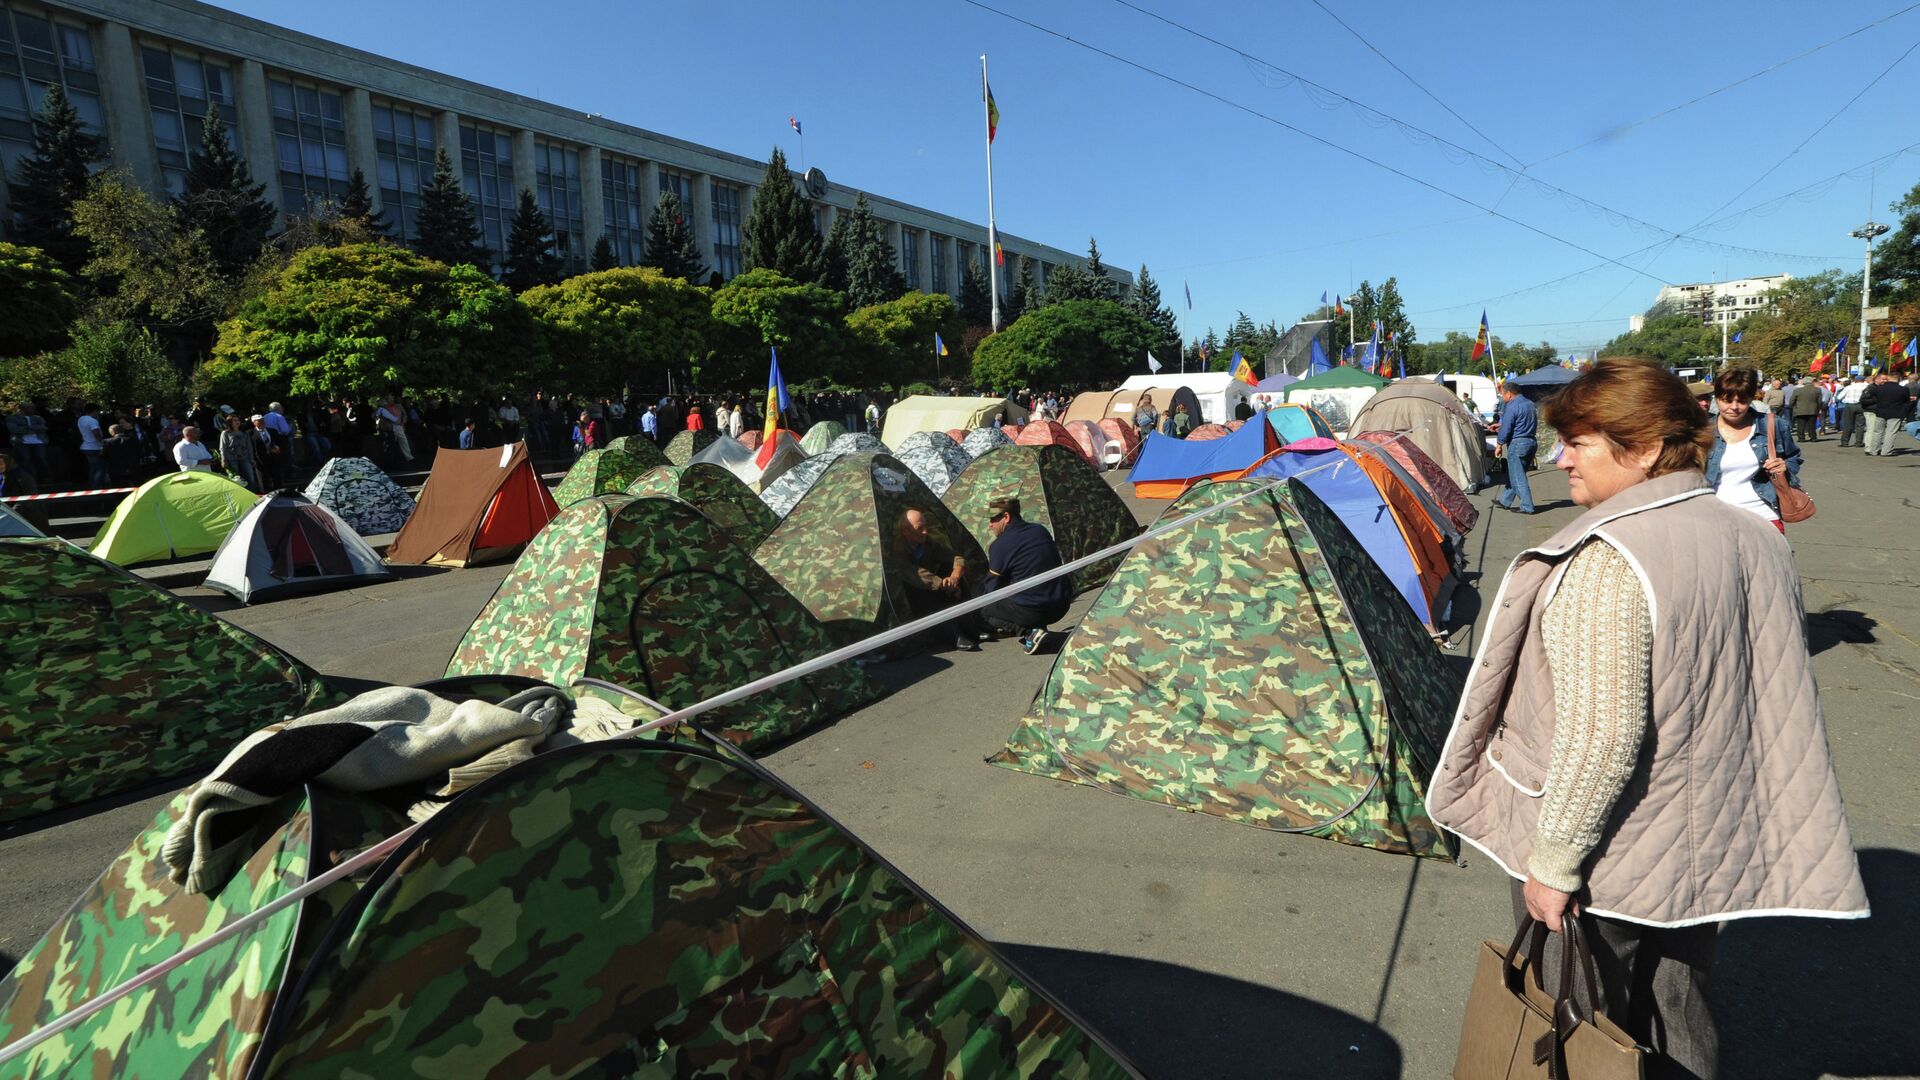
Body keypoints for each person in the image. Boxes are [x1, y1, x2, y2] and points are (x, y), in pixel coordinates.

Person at [1427, 357, 1867, 1080]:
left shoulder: (1608, 558)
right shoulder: (1752, 536)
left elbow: (1600, 741)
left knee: (1584, 1023)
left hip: (1611, 852)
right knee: (1678, 1007)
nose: (1559, 458)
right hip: (1705, 835)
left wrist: (1552, 866)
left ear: (1648, 448)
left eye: (1582, 442)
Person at [1703, 368, 1799, 534]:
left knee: (1771, 560)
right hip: (1715, 518)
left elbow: (1793, 457)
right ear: (1716, 398)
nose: (1734, 407)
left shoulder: (1772, 424)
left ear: (1751, 399)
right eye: (1727, 400)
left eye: (1742, 401)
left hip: (1763, 515)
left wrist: (1785, 467)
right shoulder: (1702, 431)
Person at [978, 497, 1072, 653]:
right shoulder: (1040, 530)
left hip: (1036, 609)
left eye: (993, 519)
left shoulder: (999, 545)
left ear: (1006, 517)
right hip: (1063, 602)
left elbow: (992, 587)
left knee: (986, 608)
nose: (990, 524)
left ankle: (1030, 633)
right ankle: (1039, 628)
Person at [890, 508, 980, 652]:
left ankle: (973, 627)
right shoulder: (898, 550)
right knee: (923, 593)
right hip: (914, 596)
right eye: (920, 528)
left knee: (952, 571)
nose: (925, 531)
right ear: (906, 531)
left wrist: (954, 577)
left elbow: (956, 557)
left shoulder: (927, 543)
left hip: (934, 587)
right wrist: (943, 584)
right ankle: (954, 635)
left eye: (926, 526)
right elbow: (916, 574)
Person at [1492, 381, 1537, 514]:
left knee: (1518, 476)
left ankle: (1527, 506)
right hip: (1531, 441)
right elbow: (1521, 422)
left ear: (1509, 394)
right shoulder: (1529, 404)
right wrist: (1500, 426)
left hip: (1518, 444)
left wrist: (1499, 444)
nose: (1502, 398)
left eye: (1502, 395)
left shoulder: (1511, 406)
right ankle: (1505, 500)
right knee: (1516, 473)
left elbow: (1507, 428)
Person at [1859, 372, 1913, 456]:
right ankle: (1886, 451)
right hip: (1896, 412)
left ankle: (1873, 450)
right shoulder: (1903, 389)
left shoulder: (1879, 388)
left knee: (1877, 432)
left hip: (1880, 412)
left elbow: (1875, 399)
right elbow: (1906, 401)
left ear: (1888, 378)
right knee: (1890, 432)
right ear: (1899, 379)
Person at [0, 450, 51, 532]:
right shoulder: (2, 476)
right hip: (12, 515)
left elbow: (30, 494)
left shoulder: (21, 476)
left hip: (30, 514)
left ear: (8, 463)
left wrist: (13, 512)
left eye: (1, 464)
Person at [76, 403, 106, 487]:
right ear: (94, 411)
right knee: (100, 468)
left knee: (92, 467)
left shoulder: (81, 419)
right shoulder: (92, 420)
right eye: (98, 411)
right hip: (95, 447)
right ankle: (97, 486)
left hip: (85, 446)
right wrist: (102, 442)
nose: (98, 413)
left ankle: (92, 484)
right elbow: (96, 433)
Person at [1787, 375, 1820, 442]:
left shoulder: (1798, 390)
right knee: (1812, 425)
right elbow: (1819, 401)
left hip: (1800, 410)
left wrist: (1792, 406)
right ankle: (1813, 437)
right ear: (1811, 382)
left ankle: (1801, 438)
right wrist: (1818, 408)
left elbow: (1792, 401)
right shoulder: (1817, 390)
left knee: (1801, 425)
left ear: (1803, 382)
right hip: (1813, 410)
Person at [1835, 377, 1867, 447]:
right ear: (1863, 380)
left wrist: (1844, 401)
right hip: (1861, 405)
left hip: (1849, 405)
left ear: (1855, 381)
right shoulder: (1866, 387)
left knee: (1847, 424)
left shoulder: (1848, 387)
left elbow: (1839, 397)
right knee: (1860, 425)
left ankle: (1845, 442)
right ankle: (1859, 442)